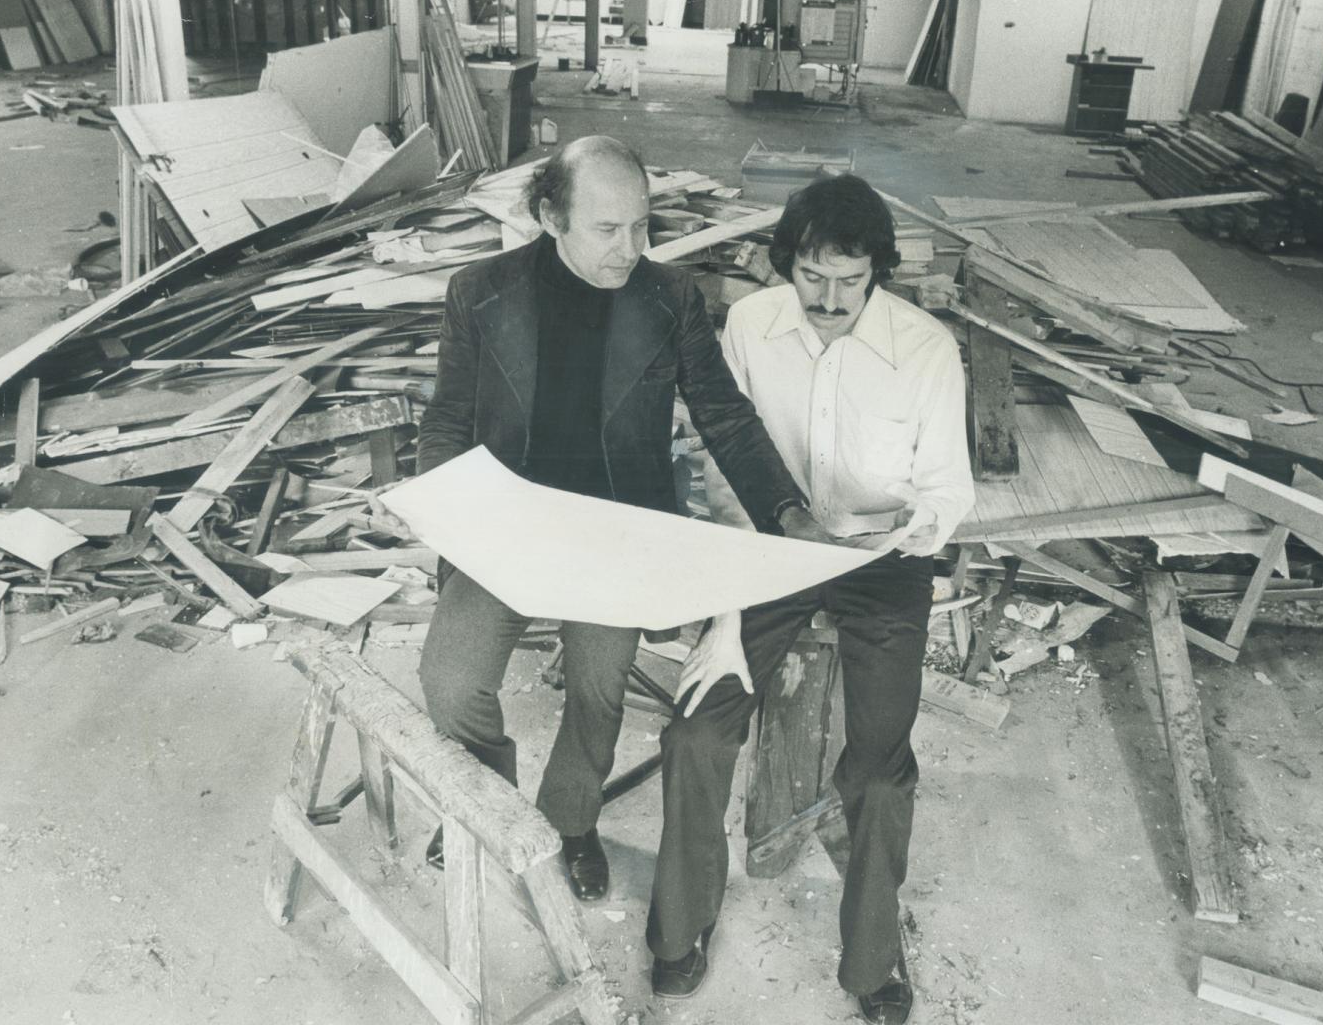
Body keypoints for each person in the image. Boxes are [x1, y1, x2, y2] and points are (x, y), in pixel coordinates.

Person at [411, 135, 832, 901]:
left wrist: (788, 512)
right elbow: (447, 421)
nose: (631, 248)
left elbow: (725, 419)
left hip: (615, 530)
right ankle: (486, 802)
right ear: (550, 216)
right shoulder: (480, 291)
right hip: (507, 528)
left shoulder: (668, 299)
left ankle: (571, 822)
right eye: (608, 230)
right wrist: (452, 509)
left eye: (643, 226)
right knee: (450, 681)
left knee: (599, 686)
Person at [644, 174, 975, 1023]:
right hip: (766, 547)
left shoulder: (928, 348)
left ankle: (871, 962)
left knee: (880, 761)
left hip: (881, 558)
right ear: (783, 263)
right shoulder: (751, 325)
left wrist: (913, 525)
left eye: (851, 283)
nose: (829, 302)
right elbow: (722, 460)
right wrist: (723, 606)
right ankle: (681, 925)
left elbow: (949, 489)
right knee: (695, 729)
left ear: (880, 274)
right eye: (812, 279)